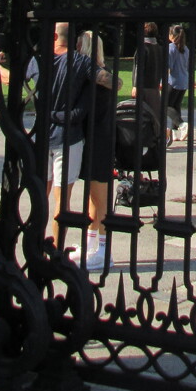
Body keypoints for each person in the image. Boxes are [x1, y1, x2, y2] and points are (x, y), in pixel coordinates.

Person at [45, 22, 94, 252]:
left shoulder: (40, 60)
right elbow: (108, 80)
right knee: (61, 201)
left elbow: (11, 77)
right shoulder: (81, 62)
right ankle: (57, 250)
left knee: (39, 196)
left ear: (54, 35)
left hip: (42, 135)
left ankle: (34, 245)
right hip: (68, 137)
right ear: (76, 40)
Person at [77, 28, 112, 273]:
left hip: (98, 139)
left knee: (100, 198)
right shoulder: (99, 75)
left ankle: (103, 250)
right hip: (95, 137)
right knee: (92, 197)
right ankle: (91, 245)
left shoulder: (97, 77)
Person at [167, 24, 190, 142]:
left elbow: (168, 68)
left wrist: (162, 81)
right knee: (176, 106)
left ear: (172, 35)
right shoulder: (186, 49)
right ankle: (176, 132)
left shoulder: (171, 48)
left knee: (165, 106)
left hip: (173, 81)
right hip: (184, 81)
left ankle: (181, 124)